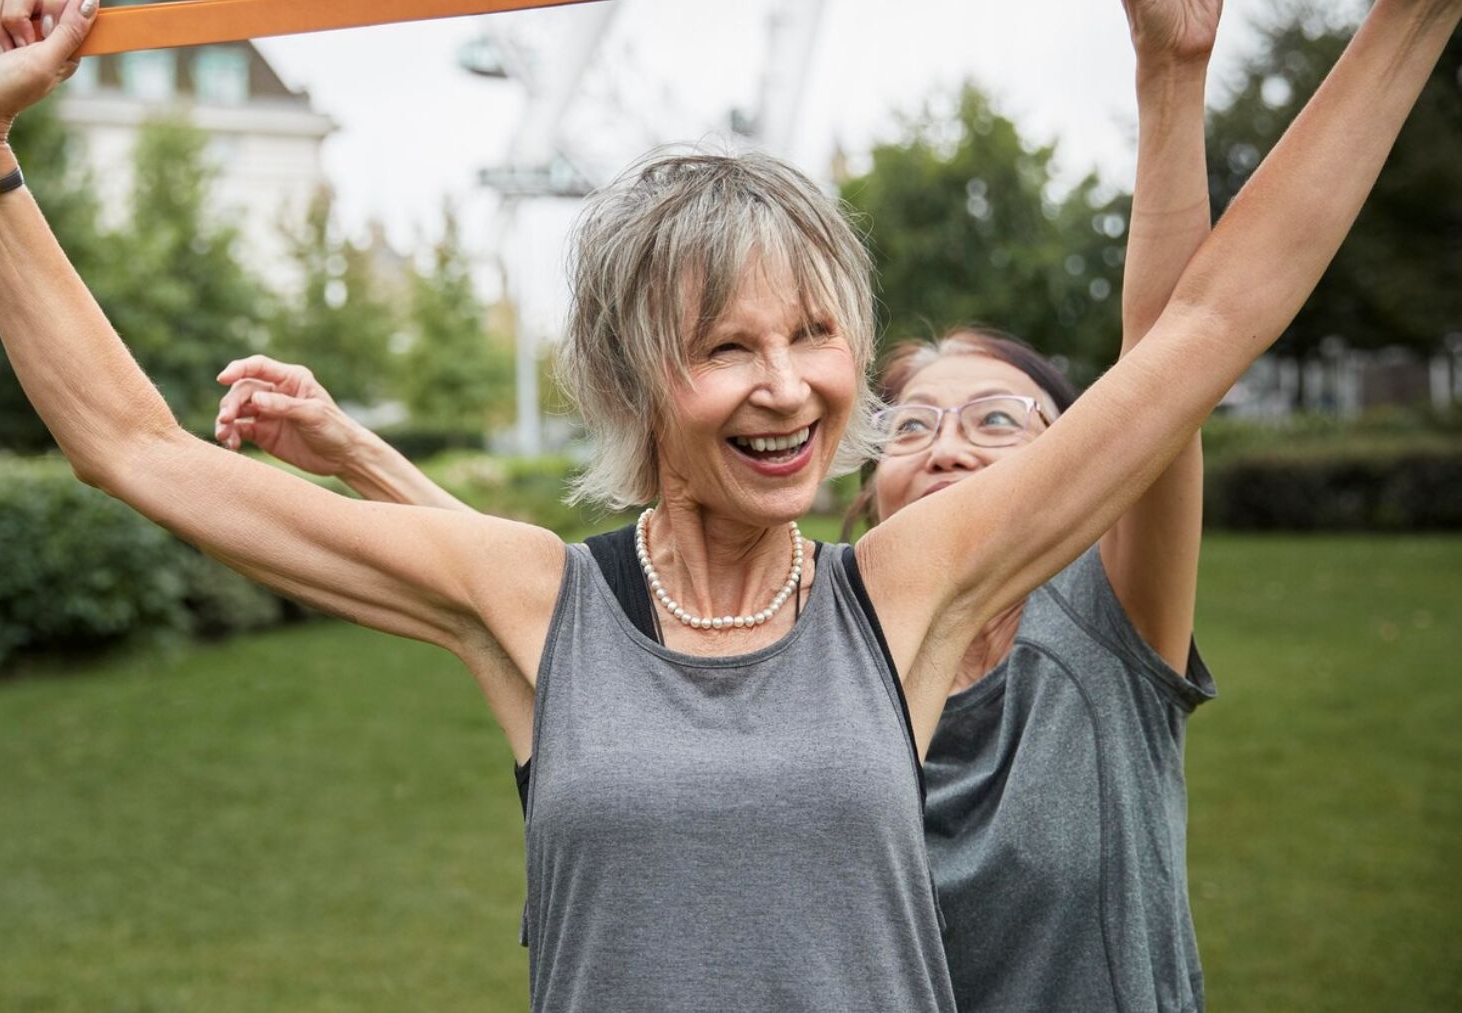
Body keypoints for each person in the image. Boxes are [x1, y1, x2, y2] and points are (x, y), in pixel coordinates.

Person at [0, 0, 1458, 1008]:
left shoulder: (903, 590)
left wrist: (1411, 20)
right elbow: (135, 447)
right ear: (632, 380)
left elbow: (1207, 328)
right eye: (727, 347)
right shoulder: (534, 599)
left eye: (817, 335)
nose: (788, 387)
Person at [214, 8, 1215, 1010]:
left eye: (998, 417)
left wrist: (1172, 76)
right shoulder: (853, 655)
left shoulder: (1100, 632)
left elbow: (1182, 348)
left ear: (1081, 463)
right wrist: (360, 457)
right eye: (911, 424)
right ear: (871, 486)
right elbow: (558, 624)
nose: (950, 444)